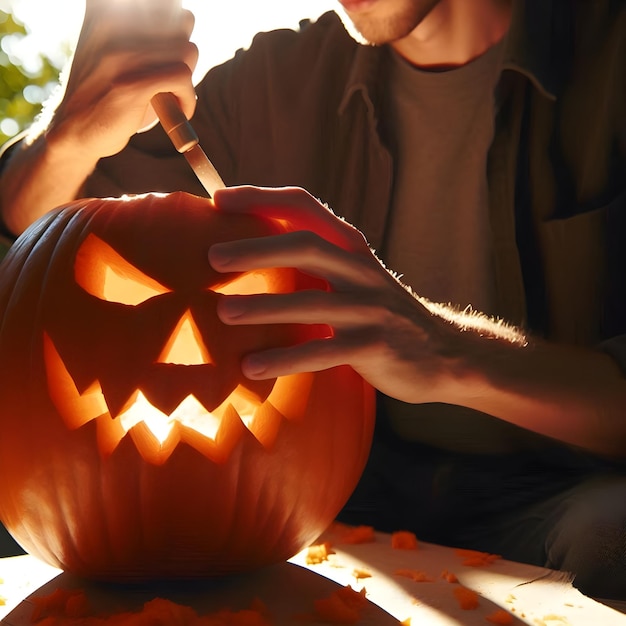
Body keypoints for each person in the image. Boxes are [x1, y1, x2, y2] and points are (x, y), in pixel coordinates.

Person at [1, 0, 626, 599]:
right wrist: (70, 134)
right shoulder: (273, 84)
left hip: (562, 492)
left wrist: (448, 352)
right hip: (330, 499)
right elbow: (49, 249)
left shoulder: (607, 59)